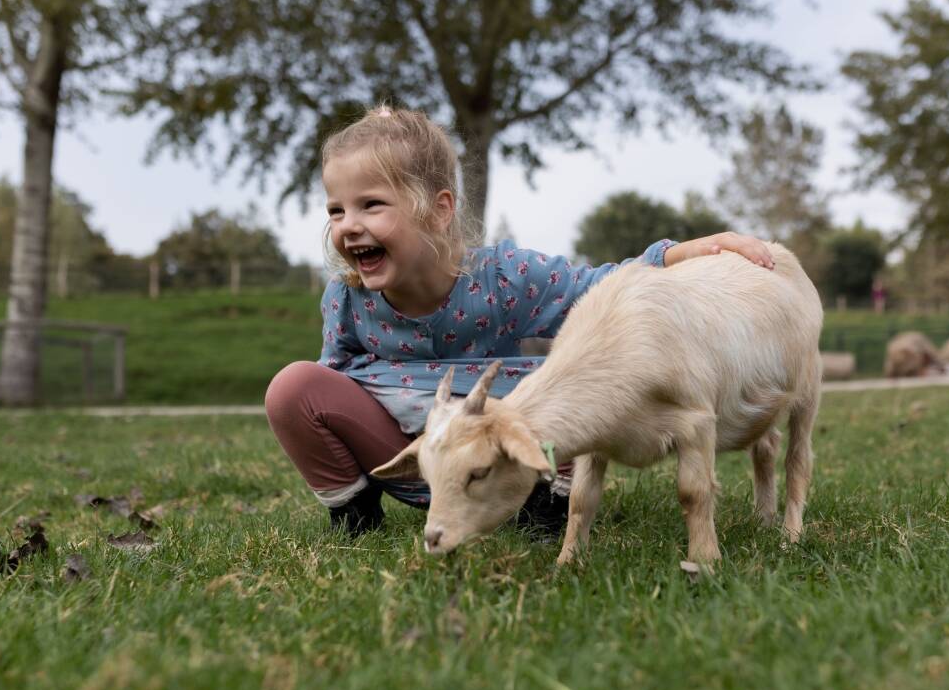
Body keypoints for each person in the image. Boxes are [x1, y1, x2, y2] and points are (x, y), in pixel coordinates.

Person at [264, 106, 776, 536]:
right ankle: (355, 515)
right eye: (336, 211)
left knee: (572, 379)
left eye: (371, 205)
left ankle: (545, 506)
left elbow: (599, 288)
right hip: (407, 460)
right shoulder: (346, 297)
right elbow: (331, 384)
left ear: (438, 210)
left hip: (507, 457)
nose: (348, 226)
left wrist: (684, 252)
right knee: (294, 387)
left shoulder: (504, 276)